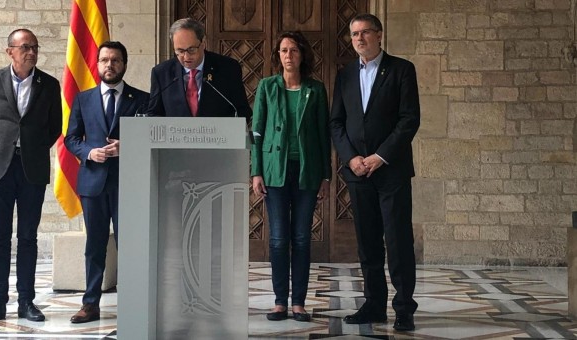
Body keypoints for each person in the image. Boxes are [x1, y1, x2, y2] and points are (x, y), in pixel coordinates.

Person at [329, 13, 420, 332]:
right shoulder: (345, 75)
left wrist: (379, 157)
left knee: (398, 241)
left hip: (391, 171)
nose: (359, 39)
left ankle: (404, 307)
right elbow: (336, 123)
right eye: (354, 34)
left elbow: (409, 120)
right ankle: (374, 305)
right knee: (367, 243)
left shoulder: (402, 70)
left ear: (379, 35)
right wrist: (352, 157)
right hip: (357, 172)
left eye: (365, 32)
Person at [0, 28, 62, 323]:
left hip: (32, 169)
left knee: (27, 237)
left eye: (35, 47)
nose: (31, 52)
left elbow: (54, 128)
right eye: (25, 47)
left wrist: (31, 149)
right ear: (9, 50)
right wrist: (6, 147)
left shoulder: (49, 84)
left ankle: (27, 301)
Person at [65, 41, 149, 324]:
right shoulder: (83, 99)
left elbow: (153, 137)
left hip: (129, 183)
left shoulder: (143, 99)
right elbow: (71, 139)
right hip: (93, 183)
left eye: (115, 60)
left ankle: (134, 302)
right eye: (104, 60)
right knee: (95, 244)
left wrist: (130, 146)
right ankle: (90, 304)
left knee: (131, 244)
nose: (109, 65)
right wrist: (89, 152)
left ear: (124, 64)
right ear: (97, 64)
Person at [251, 31, 331, 323]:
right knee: (278, 238)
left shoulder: (316, 89)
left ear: (302, 55)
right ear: (278, 56)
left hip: (306, 171)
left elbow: (324, 135)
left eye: (294, 50)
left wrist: (326, 175)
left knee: (300, 238)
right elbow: (256, 131)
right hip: (274, 171)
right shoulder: (267, 87)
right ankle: (279, 301)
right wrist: (256, 170)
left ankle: (298, 302)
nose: (288, 56)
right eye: (283, 51)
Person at [146, 17, 251, 120]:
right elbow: (153, 114)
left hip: (216, 136)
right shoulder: (161, 73)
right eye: (180, 51)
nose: (186, 57)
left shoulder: (228, 68)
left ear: (203, 43)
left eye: (191, 49)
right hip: (176, 135)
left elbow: (242, 111)